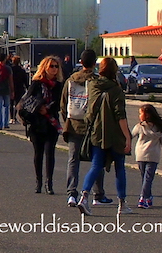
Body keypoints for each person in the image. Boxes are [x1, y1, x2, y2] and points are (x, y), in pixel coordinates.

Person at [77, 57, 132, 216]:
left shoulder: (93, 85)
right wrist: (127, 137)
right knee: (120, 168)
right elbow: (120, 116)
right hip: (115, 135)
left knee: (95, 166)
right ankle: (122, 203)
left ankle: (84, 197)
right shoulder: (116, 89)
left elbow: (89, 110)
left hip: (97, 133)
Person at [60, 49, 109, 208]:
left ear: (81, 62)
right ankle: (98, 194)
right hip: (93, 126)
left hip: (74, 124)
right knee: (97, 161)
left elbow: (63, 104)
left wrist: (66, 119)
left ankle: (71, 193)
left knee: (73, 160)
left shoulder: (70, 81)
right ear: (95, 63)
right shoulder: (98, 81)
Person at [25, 57, 63, 194]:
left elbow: (60, 103)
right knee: (38, 154)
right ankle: (38, 182)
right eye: (51, 66)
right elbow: (27, 100)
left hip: (51, 123)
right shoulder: (36, 83)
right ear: (45, 67)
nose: (54, 69)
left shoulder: (58, 85)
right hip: (37, 123)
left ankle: (49, 183)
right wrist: (38, 107)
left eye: (56, 66)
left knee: (50, 153)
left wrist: (49, 108)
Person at [132, 104, 162, 209]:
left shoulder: (139, 127)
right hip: (153, 156)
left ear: (147, 115)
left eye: (140, 113)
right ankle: (147, 197)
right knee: (148, 178)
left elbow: (130, 136)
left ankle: (143, 198)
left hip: (140, 155)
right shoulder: (160, 128)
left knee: (144, 177)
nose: (139, 116)